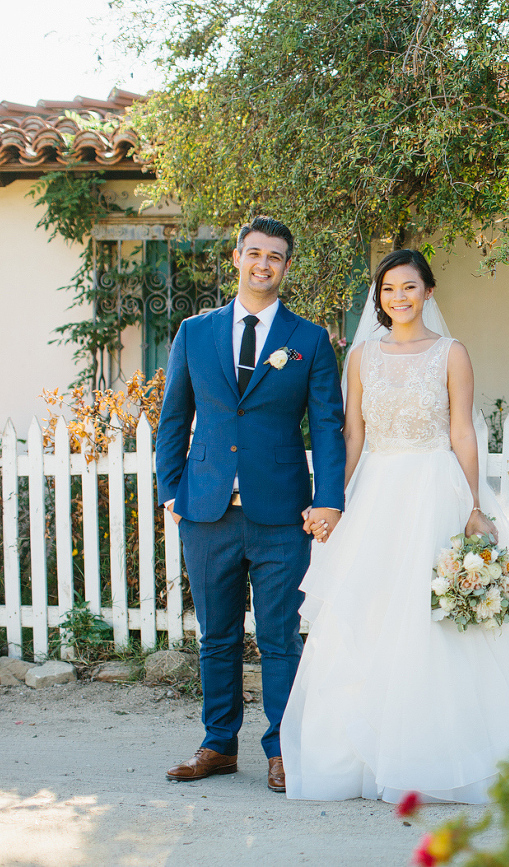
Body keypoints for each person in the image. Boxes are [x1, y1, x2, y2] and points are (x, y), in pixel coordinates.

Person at [280, 249, 509, 803]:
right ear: (379, 297)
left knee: (436, 617)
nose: (398, 298)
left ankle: (453, 747)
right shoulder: (362, 356)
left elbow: (463, 431)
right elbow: (353, 437)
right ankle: (369, 751)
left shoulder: (450, 354)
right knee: (376, 610)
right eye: (388, 289)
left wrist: (472, 505)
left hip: (435, 486)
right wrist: (336, 501)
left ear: (428, 292)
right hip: (379, 494)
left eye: (408, 287)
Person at [155, 216, 346, 794]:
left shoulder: (309, 340)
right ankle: (217, 745)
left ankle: (283, 749)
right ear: (237, 258)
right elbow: (173, 419)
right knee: (216, 635)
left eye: (276, 257)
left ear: (287, 267)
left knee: (279, 635)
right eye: (254, 253)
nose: (264, 264)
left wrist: (329, 499)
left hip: (281, 514)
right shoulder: (194, 332)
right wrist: (172, 490)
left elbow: (329, 427)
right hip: (207, 511)